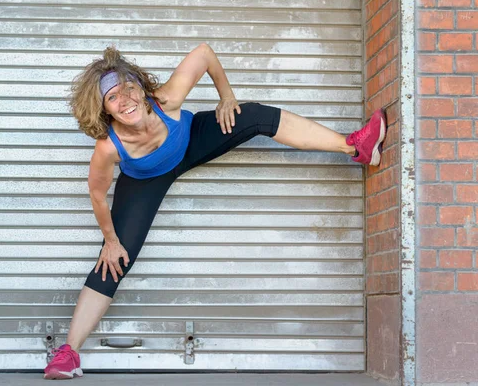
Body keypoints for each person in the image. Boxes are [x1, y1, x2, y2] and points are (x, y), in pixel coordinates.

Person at [43, 44, 386, 380]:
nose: (126, 100)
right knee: (113, 261)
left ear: (141, 87)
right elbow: (98, 194)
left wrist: (227, 97)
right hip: (145, 178)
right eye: (113, 97)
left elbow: (204, 52)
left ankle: (356, 146)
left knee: (253, 115)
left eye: (129, 88)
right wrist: (111, 240)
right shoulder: (108, 147)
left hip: (189, 139)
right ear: (104, 108)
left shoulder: (167, 101)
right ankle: (68, 354)